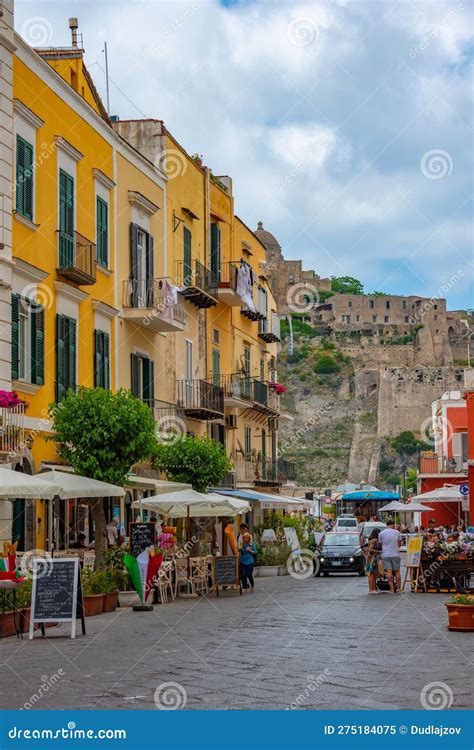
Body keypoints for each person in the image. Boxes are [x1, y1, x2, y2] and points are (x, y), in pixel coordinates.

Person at [379, 519, 402, 594]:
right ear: (392, 525)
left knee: (389, 572)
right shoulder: (397, 532)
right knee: (397, 571)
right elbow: (400, 544)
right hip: (395, 554)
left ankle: (391, 589)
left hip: (385, 554)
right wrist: (395, 547)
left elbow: (380, 544)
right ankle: (399, 589)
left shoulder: (381, 533)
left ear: (386, 525)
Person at [365, 528, 382, 595]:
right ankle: (371, 589)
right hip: (372, 558)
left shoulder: (371, 539)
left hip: (371, 558)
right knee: (372, 574)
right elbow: (370, 549)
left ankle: (373, 589)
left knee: (373, 574)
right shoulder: (374, 540)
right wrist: (378, 551)